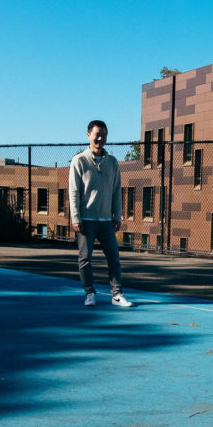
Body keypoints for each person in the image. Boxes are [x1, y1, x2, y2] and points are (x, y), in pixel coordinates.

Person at [68, 120, 132, 308]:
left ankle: (117, 295)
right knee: (85, 259)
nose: (100, 138)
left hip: (106, 220)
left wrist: (117, 215)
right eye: (97, 134)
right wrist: (75, 217)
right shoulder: (79, 160)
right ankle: (89, 293)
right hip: (85, 220)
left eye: (104, 134)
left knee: (114, 257)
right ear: (88, 135)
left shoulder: (112, 162)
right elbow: (74, 191)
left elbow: (116, 191)